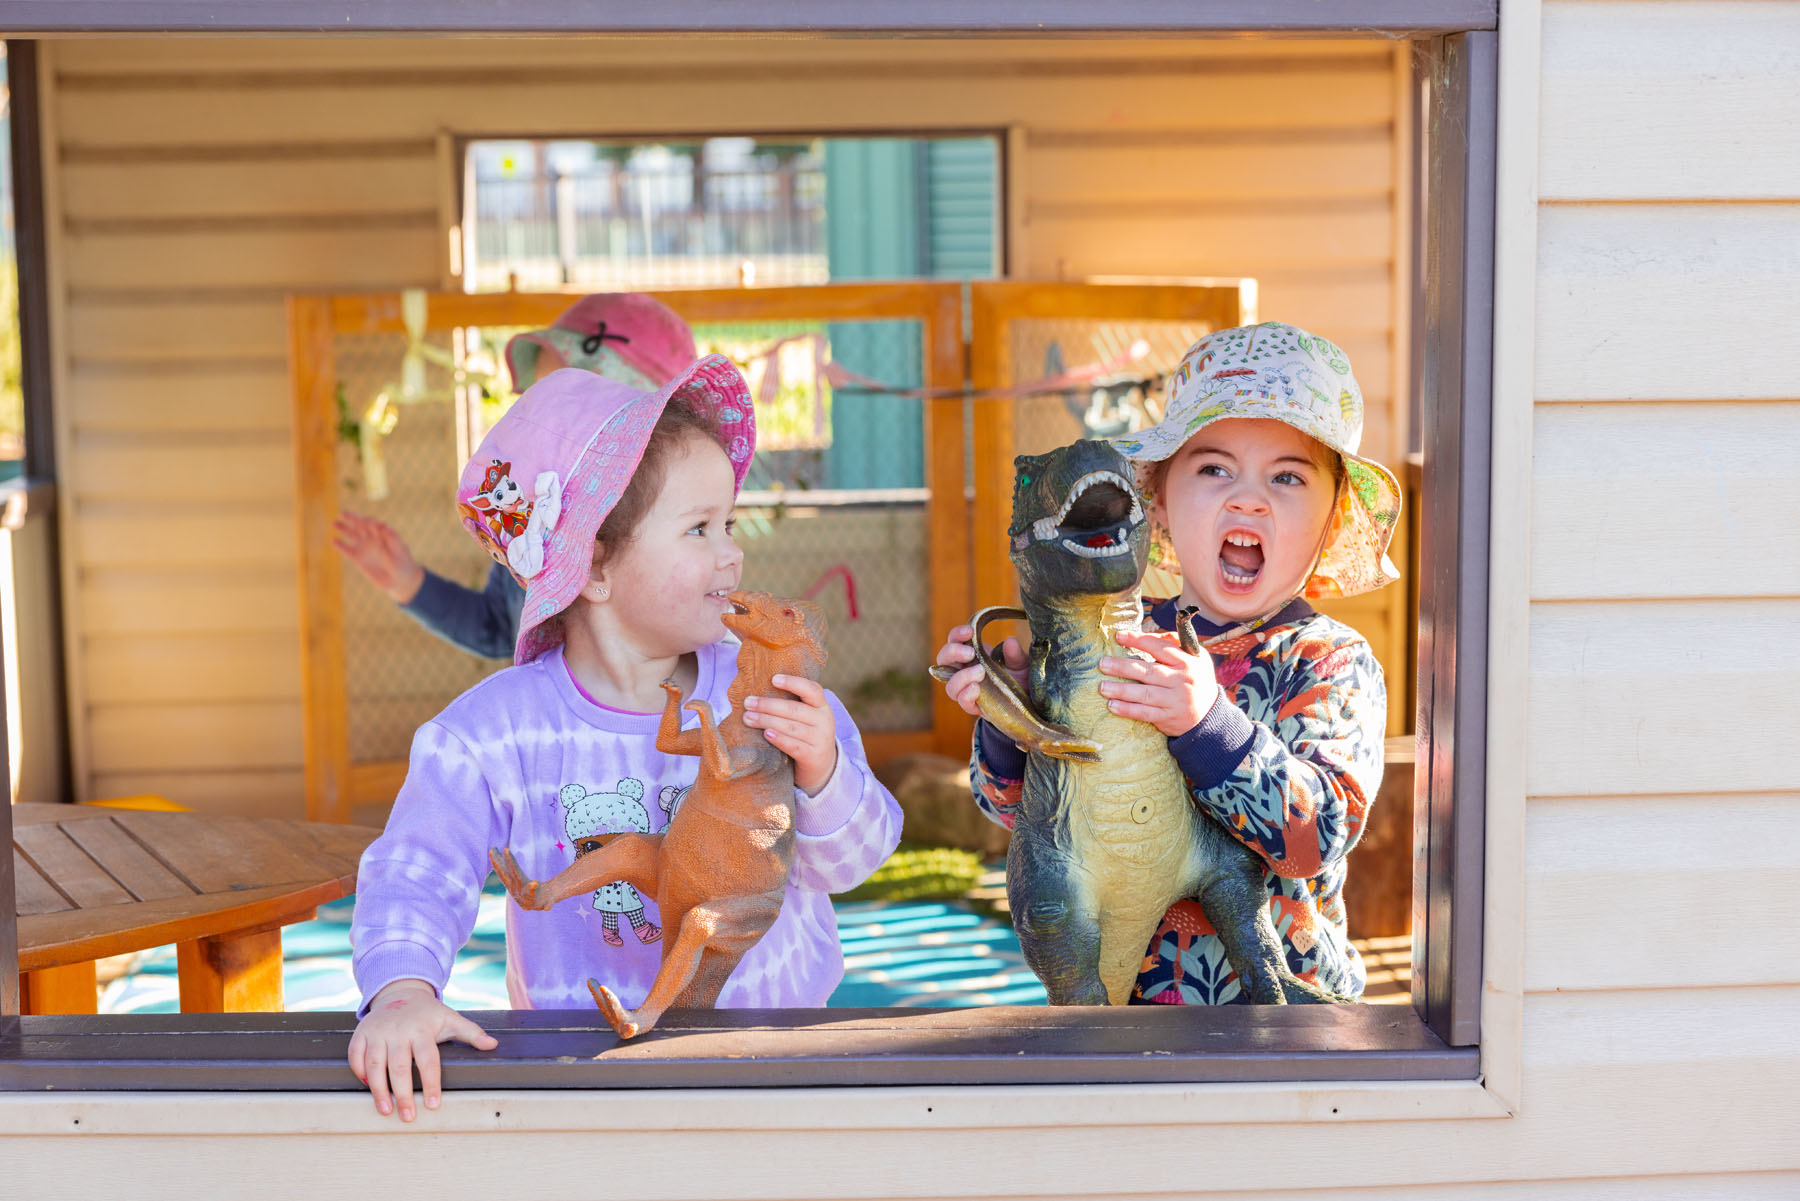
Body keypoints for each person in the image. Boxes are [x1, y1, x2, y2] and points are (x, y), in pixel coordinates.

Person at [348, 358, 904, 1119]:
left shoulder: (771, 694)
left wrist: (823, 767)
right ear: (595, 568)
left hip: (779, 1055)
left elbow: (857, 863)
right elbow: (416, 864)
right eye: (700, 528)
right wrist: (404, 991)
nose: (733, 552)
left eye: (731, 523)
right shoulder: (496, 733)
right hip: (579, 1071)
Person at [934, 321, 1399, 1005]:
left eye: (1288, 477)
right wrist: (1010, 721)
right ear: (1158, 502)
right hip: (1133, 1012)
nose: (1248, 498)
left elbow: (1317, 835)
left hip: (1286, 1026)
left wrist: (1207, 723)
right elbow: (1022, 816)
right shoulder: (1116, 638)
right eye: (1214, 468)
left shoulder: (1327, 662)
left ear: (1331, 521)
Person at [331, 291, 702, 659]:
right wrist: (409, 583)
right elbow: (499, 627)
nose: (545, 422)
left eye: (566, 402)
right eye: (538, 402)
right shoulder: (528, 514)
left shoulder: (685, 523)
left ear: (648, 415)